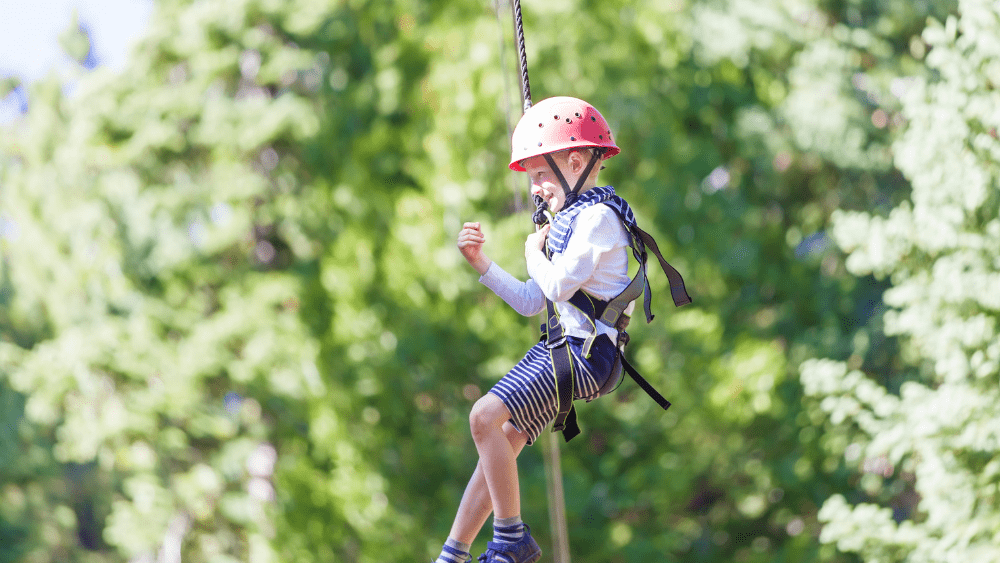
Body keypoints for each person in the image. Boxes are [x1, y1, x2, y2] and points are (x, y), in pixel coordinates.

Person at [437, 96, 639, 563]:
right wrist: (482, 265)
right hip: (569, 350)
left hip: (585, 355)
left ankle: (510, 539)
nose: (535, 190)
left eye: (541, 176)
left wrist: (533, 249)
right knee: (500, 444)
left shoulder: (597, 220)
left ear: (574, 161)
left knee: (484, 417)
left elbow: (555, 283)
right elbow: (535, 300)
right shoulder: (572, 221)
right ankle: (454, 553)